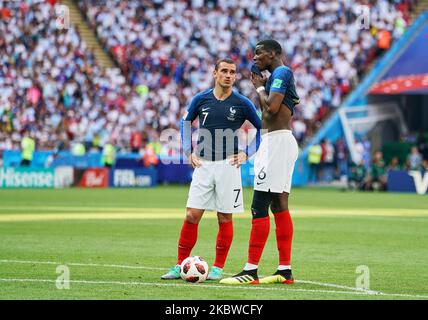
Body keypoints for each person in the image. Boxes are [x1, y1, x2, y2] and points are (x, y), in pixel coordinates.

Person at [161, 58, 262, 281]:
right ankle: (180, 265)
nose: (228, 75)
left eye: (232, 72)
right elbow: (185, 124)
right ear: (215, 73)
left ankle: (217, 268)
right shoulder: (201, 99)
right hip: (204, 165)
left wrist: (247, 153)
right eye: (224, 71)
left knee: (225, 218)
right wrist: (188, 152)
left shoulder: (242, 103)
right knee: (191, 215)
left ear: (236, 76)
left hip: (229, 166)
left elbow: (262, 129)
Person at [221, 39, 300, 285]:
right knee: (279, 205)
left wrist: (260, 88)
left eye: (259, 53)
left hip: (276, 143)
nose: (254, 58)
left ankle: (250, 271)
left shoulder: (282, 72)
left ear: (273, 53)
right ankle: (284, 271)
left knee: (259, 205)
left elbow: (272, 109)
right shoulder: (279, 76)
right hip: (278, 141)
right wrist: (265, 85)